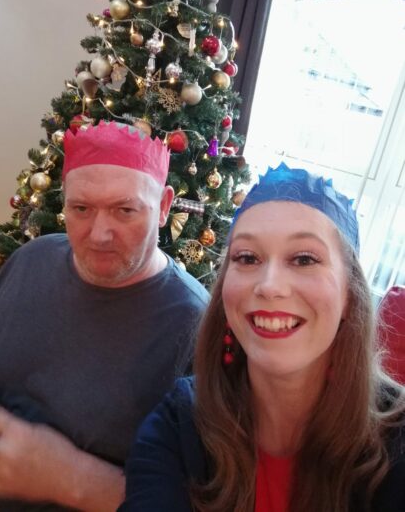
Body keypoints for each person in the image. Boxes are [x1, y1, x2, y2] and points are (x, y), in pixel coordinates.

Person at [121, 162, 405, 512]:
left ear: (350, 295)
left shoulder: (398, 440)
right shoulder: (179, 425)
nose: (269, 286)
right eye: (247, 257)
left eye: (304, 259)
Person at [0, 121, 209, 510]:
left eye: (125, 210)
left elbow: (201, 498)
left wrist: (69, 478)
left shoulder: (195, 325)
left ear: (165, 207)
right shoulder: (29, 261)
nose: (100, 234)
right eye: (81, 209)